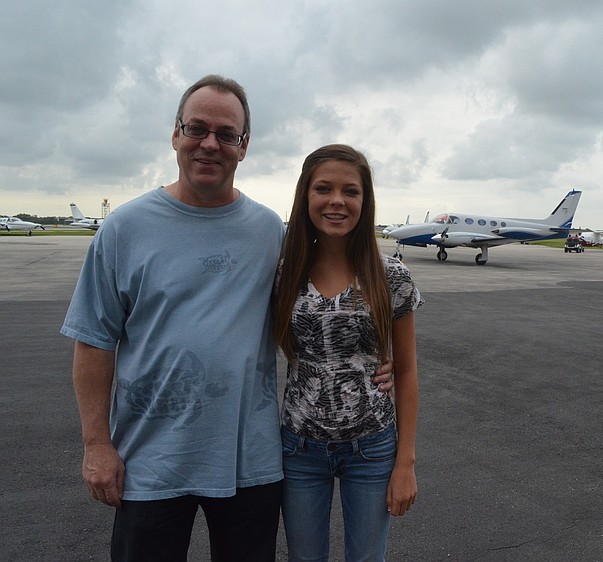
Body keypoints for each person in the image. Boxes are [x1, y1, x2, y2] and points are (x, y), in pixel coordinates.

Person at [60, 76, 393, 561]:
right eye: (196, 128)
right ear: (175, 134)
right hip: (150, 462)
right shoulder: (123, 229)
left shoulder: (270, 233)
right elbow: (93, 340)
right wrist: (96, 445)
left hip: (248, 465)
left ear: (244, 146)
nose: (210, 144)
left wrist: (372, 360)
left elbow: (325, 296)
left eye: (226, 134)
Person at [274, 144, 422, 562]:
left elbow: (407, 371)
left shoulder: (391, 276)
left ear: (365, 200)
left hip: (371, 446)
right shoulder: (283, 272)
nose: (336, 200)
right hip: (299, 447)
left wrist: (405, 463)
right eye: (323, 188)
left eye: (350, 191)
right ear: (306, 196)